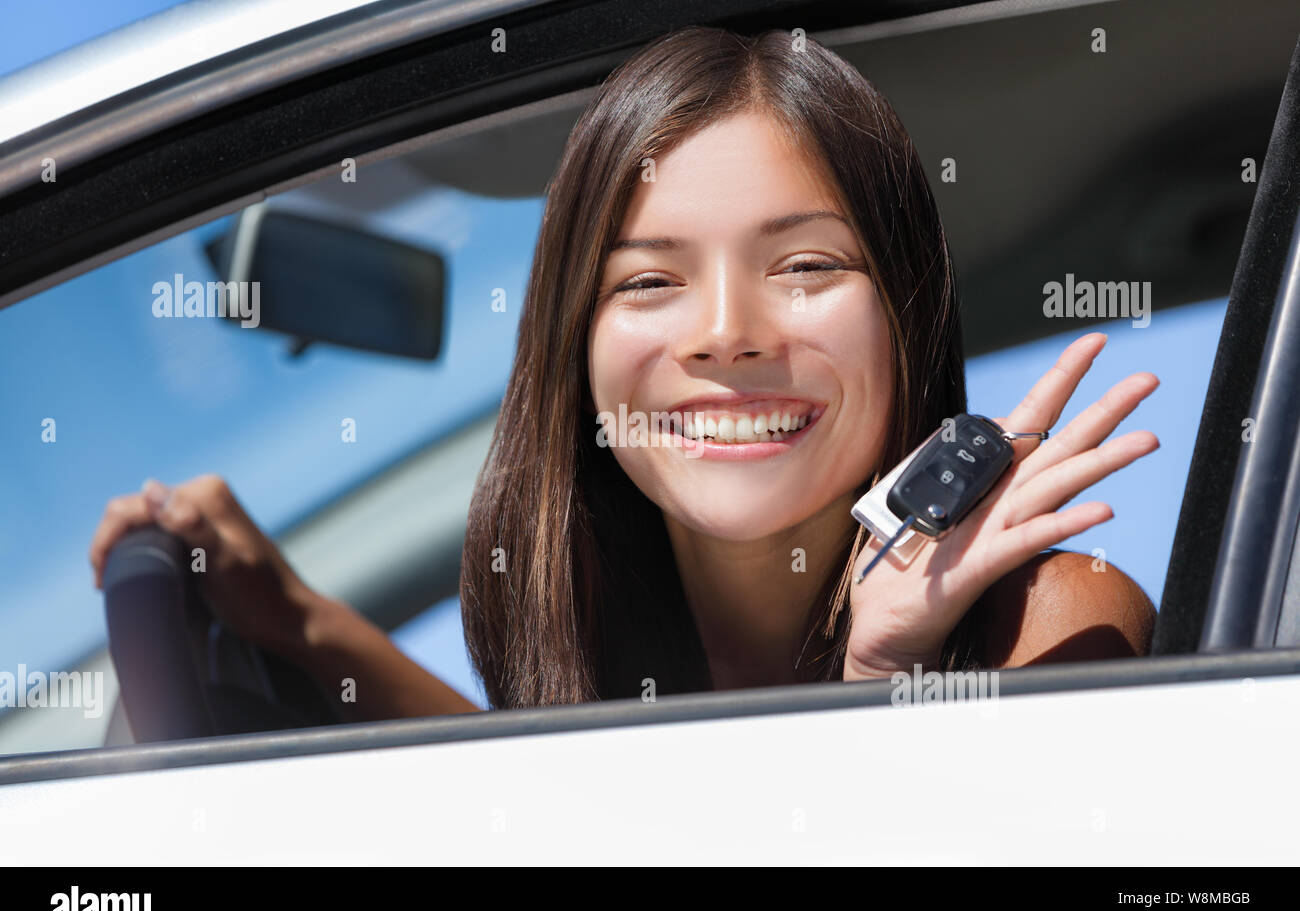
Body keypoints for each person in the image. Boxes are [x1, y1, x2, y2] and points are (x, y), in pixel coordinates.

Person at [89, 26, 1159, 718]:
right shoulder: (596, 619)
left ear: (907, 314)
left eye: (804, 266)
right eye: (649, 283)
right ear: (573, 353)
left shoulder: (1058, 622)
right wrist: (301, 618)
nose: (726, 333)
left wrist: (881, 682)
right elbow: (553, 812)